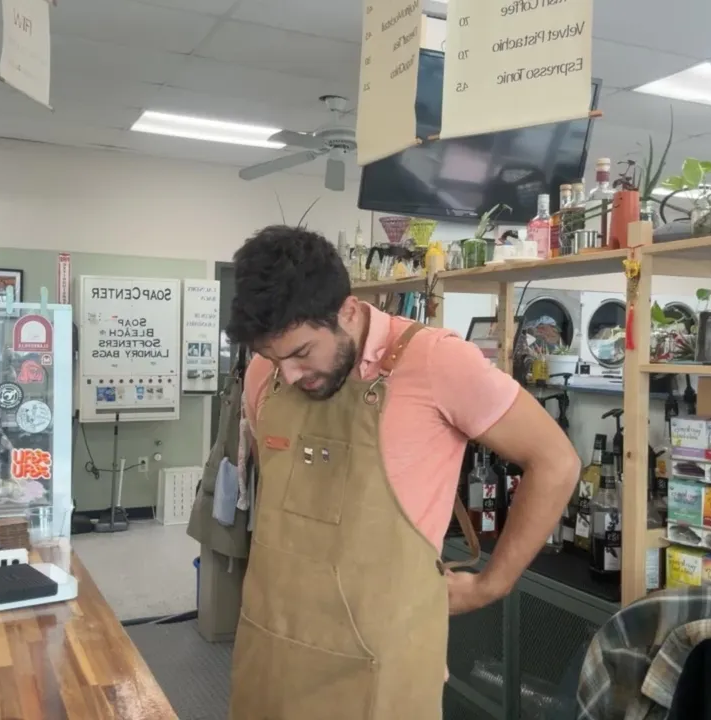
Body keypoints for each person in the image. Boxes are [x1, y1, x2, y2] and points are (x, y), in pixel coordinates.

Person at [224, 225, 580, 719]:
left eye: (302, 353)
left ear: (348, 311)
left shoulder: (436, 361)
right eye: (272, 356)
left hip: (380, 667)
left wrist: (491, 584)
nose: (288, 374)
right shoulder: (268, 375)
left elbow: (556, 461)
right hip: (273, 649)